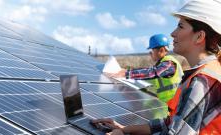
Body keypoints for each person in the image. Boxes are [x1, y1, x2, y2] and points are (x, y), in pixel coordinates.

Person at [92, 0, 221, 134]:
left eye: (180, 26)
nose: (172, 33)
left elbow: (152, 72)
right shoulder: (204, 73)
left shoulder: (202, 81)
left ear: (199, 36)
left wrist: (125, 73)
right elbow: (169, 124)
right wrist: (125, 129)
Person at [107, 34, 184, 103]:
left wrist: (126, 74)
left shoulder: (169, 64)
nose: (150, 53)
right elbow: (148, 69)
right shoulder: (164, 63)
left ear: (161, 50)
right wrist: (127, 71)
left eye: (152, 50)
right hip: (169, 103)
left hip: (174, 104)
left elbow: (151, 73)